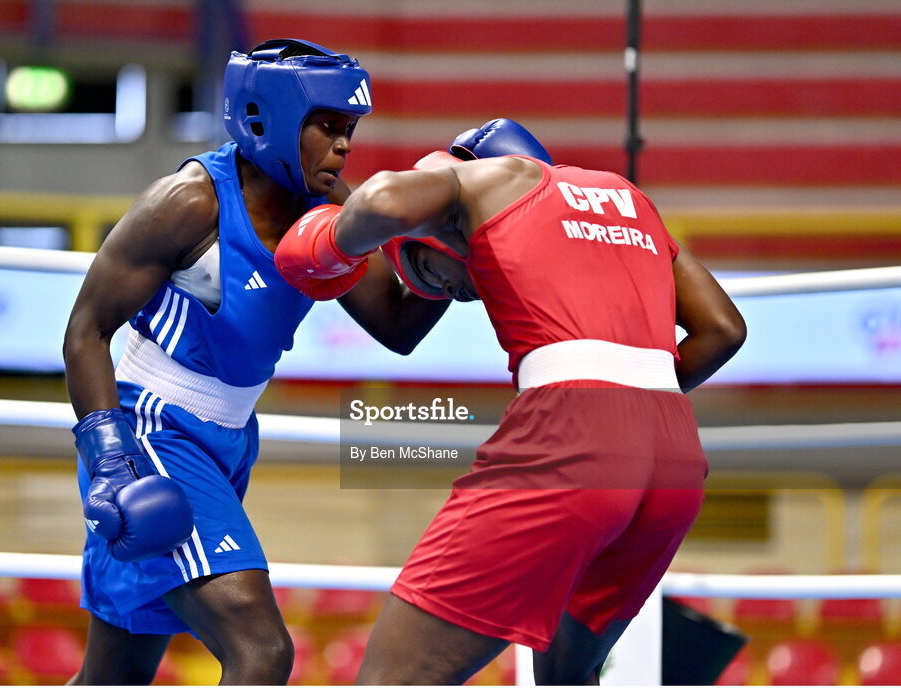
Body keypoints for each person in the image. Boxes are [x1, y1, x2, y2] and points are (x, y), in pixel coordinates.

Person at [275, 120, 747, 685]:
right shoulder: (624, 196)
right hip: (673, 459)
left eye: (432, 270)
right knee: (567, 680)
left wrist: (326, 247)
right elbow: (723, 329)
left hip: (570, 438)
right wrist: (629, 405)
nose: (453, 292)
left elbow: (380, 197)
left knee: (392, 678)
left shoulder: (496, 179)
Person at [61, 38, 453, 685]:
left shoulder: (327, 212)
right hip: (153, 432)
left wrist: (452, 251)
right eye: (327, 127)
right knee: (260, 650)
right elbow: (85, 331)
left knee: (115, 676)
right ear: (264, 118)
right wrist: (111, 458)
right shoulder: (189, 203)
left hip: (228, 440)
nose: (344, 146)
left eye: (349, 130)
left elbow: (395, 325)